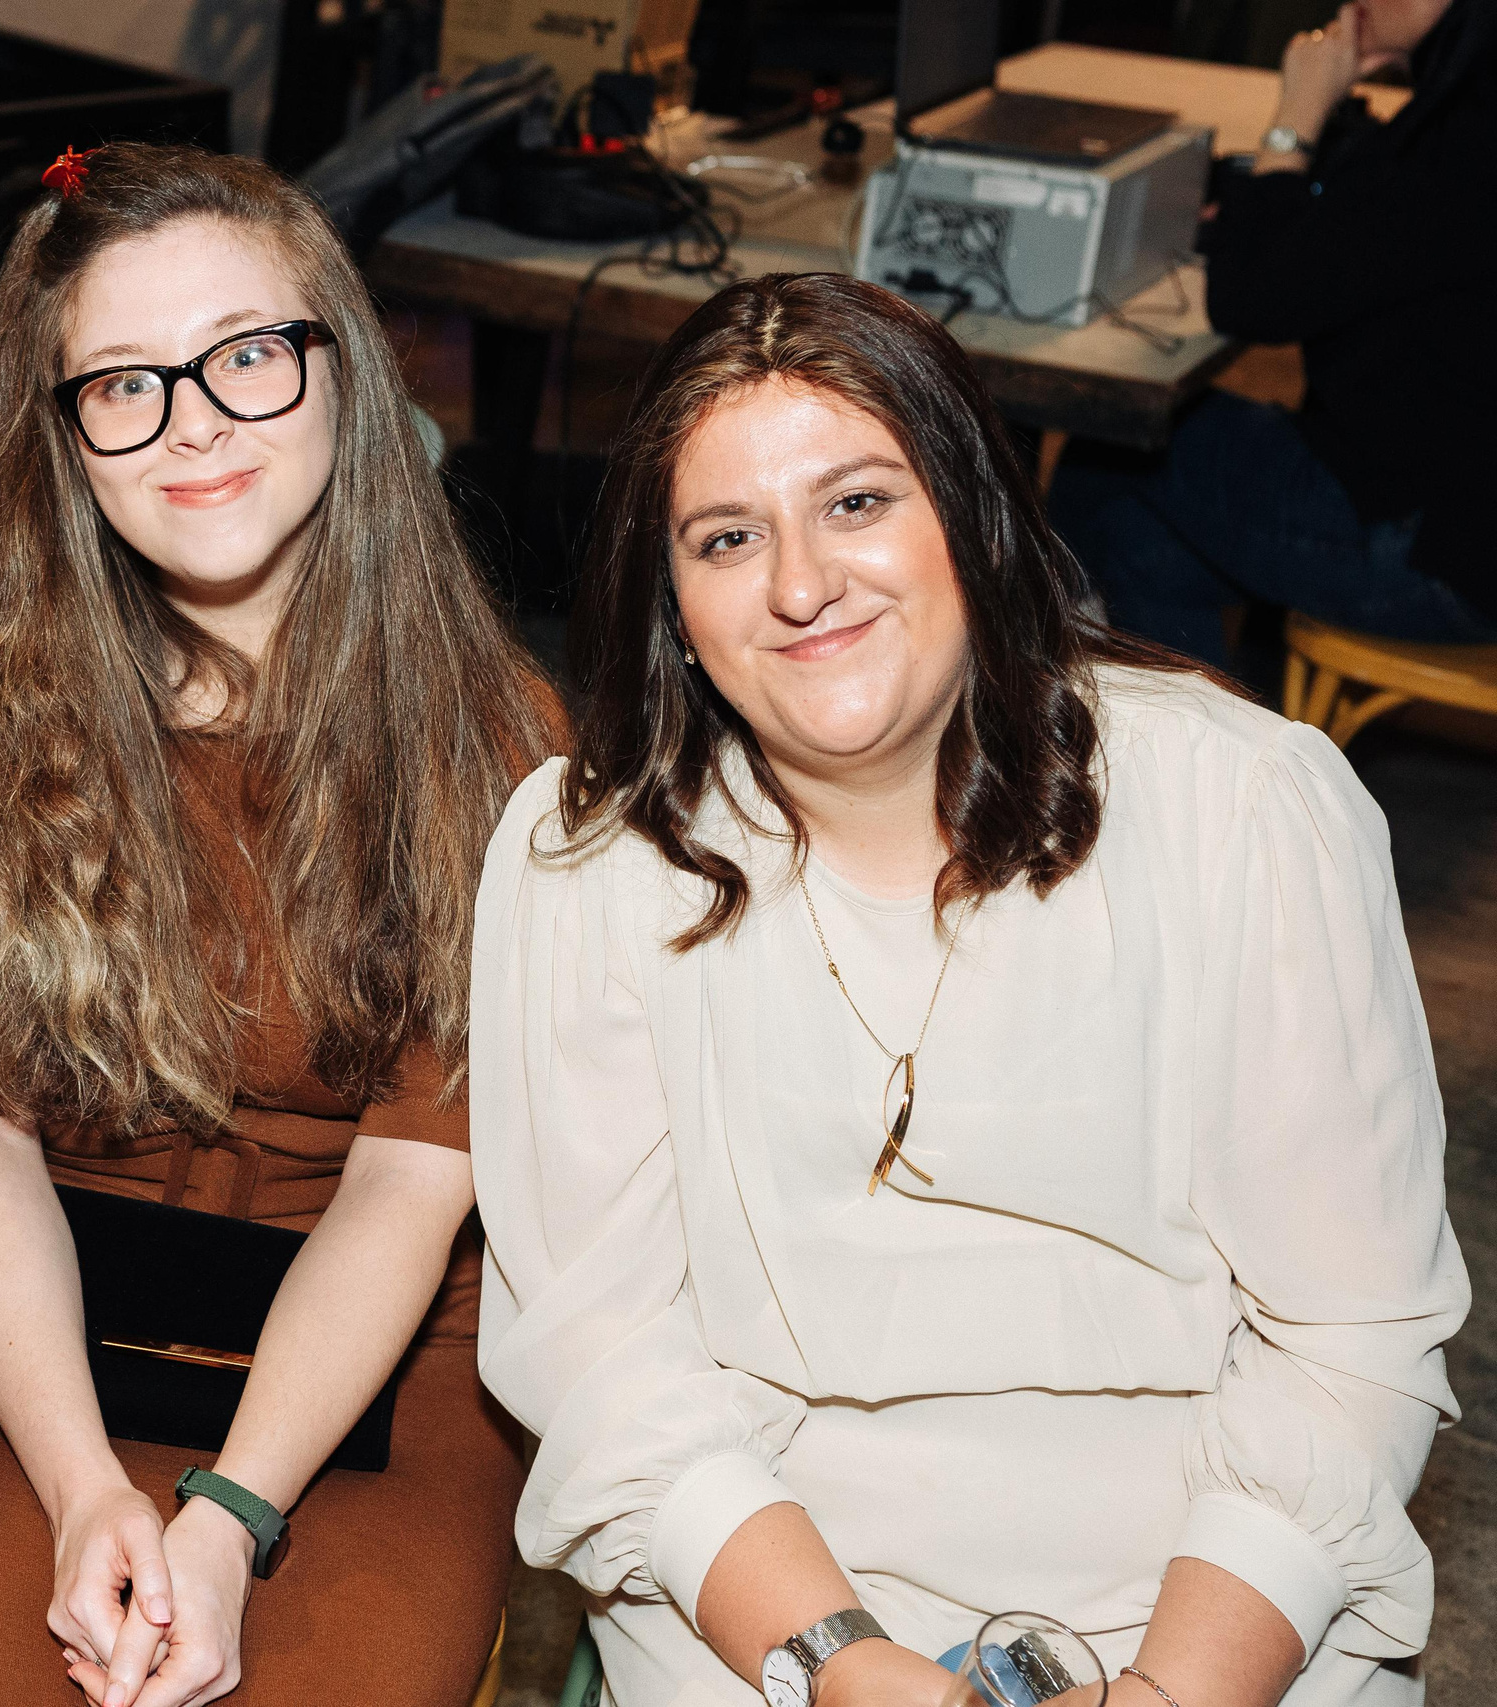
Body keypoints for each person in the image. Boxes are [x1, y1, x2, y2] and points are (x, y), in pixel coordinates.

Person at [473, 273, 1469, 1707]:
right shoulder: (593, 865)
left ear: (975, 515)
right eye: (727, 537)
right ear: (672, 601)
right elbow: (607, 1360)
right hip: (769, 1610)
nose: (801, 584)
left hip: (1227, 1598)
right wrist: (840, 1660)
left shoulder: (1241, 807)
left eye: (857, 502)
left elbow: (1346, 1332)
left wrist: (1170, 1691)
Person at [0, 143, 557, 1707]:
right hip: (13, 1326)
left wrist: (229, 1513)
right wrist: (86, 1487)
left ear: (341, 370)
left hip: (375, 1343)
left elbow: (410, 1185)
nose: (193, 420)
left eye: (245, 354)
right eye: (125, 383)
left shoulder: (495, 738)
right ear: (63, 434)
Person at [1048, 0, 1497, 665]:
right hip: (1453, 511)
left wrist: (1297, 118)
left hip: (1442, 553)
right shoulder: (1467, 100)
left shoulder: (1466, 131)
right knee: (1138, 533)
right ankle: (1221, 720)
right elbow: (1358, 226)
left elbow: (1251, 298)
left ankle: (1084, 711)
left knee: (1108, 450)